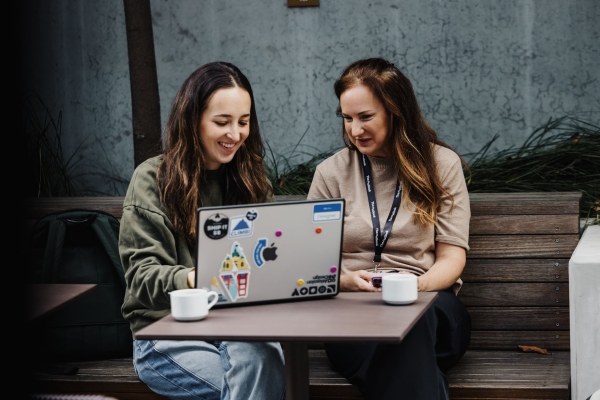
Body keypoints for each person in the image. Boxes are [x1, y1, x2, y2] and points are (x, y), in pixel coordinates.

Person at [118, 61, 286, 400]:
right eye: (222, 122)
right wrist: (201, 278)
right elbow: (142, 279)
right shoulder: (153, 180)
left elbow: (269, 258)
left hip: (239, 327)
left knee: (260, 358)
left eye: (244, 122)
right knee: (258, 387)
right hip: (165, 334)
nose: (235, 134)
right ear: (192, 120)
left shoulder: (251, 178)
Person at [307, 58, 472, 399]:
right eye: (347, 118)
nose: (355, 130)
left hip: (431, 306)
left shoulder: (441, 165)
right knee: (404, 358)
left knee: (411, 326)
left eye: (366, 117)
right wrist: (345, 282)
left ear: (396, 111)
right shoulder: (330, 173)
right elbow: (311, 264)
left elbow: (452, 257)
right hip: (354, 313)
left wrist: (414, 287)